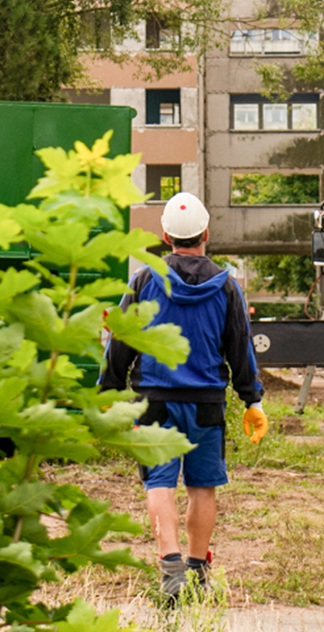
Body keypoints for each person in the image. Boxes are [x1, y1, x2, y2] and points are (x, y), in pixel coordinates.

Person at [100, 191, 267, 603]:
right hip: (207, 402)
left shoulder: (143, 280)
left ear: (165, 236)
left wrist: (108, 389)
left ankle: (170, 567)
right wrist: (253, 399)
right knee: (202, 486)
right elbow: (240, 345)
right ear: (206, 233)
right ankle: (196, 570)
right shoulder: (226, 286)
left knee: (159, 483)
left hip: (155, 401)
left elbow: (121, 339)